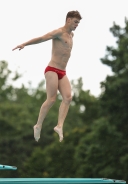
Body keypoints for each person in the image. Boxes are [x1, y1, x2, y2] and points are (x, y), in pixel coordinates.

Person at [12, 10, 82, 142]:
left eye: (78, 23)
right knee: (51, 99)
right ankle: (38, 125)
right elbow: (41, 38)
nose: (77, 25)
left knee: (68, 97)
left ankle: (59, 126)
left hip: (62, 71)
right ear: (68, 20)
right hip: (52, 70)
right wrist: (24, 44)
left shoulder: (71, 35)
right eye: (75, 22)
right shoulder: (59, 32)